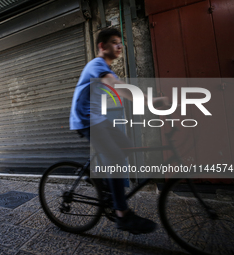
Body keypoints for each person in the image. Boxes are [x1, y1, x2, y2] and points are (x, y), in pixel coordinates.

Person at [70, 28, 167, 234]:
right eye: (114, 42)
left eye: (120, 42)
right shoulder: (97, 64)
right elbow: (116, 86)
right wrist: (150, 102)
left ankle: (103, 183)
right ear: (102, 46)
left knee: (128, 147)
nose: (119, 46)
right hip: (86, 120)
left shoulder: (107, 69)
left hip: (98, 119)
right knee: (114, 157)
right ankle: (122, 215)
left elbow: (119, 87)